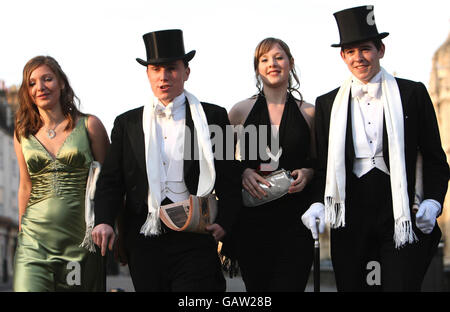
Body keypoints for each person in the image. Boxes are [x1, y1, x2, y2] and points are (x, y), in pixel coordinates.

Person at [302, 5, 450, 291]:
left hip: (399, 211)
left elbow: (434, 156)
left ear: (380, 49)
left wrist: (433, 200)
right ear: (342, 56)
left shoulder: (413, 93)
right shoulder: (327, 104)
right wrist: (318, 202)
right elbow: (321, 165)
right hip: (349, 216)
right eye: (351, 51)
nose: (359, 58)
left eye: (365, 49)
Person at [91, 29, 241, 292]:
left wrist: (224, 223)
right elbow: (112, 181)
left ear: (186, 72)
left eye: (171, 68)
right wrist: (103, 219)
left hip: (196, 234)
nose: (163, 76)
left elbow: (230, 176)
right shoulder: (126, 123)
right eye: (156, 69)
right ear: (147, 73)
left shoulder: (215, 117)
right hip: (145, 236)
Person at [13, 55, 110, 291]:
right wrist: (21, 232)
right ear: (27, 91)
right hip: (33, 242)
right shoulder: (22, 134)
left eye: (47, 79)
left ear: (62, 83)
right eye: (32, 83)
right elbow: (25, 186)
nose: (40, 87)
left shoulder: (90, 125)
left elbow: (110, 183)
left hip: (80, 240)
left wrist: (117, 229)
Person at [228, 37, 316, 291]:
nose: (272, 64)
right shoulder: (238, 111)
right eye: (264, 59)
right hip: (251, 223)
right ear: (257, 68)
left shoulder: (310, 112)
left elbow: (320, 162)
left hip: (296, 221)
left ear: (291, 63)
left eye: (279, 57)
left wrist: (309, 173)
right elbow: (218, 161)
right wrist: (242, 170)